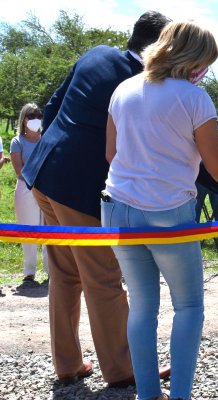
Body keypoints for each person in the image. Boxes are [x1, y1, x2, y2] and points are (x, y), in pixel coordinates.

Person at [102, 20, 218, 400]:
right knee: (188, 306)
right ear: (191, 58)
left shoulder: (122, 90)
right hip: (168, 212)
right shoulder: (194, 97)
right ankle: (180, 394)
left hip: (117, 208)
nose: (205, 71)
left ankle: (148, 394)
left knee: (142, 307)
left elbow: (110, 155)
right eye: (206, 63)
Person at [21, 11, 172, 387]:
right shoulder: (142, 82)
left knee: (64, 274)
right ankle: (123, 368)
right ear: (161, 46)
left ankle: (68, 365)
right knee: (102, 277)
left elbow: (54, 104)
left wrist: (55, 149)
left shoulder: (96, 54)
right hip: (78, 190)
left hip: (42, 177)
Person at [9, 103, 49, 283]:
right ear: (24, 119)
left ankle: (51, 272)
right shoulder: (17, 142)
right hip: (26, 189)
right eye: (32, 116)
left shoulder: (46, 138)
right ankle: (29, 273)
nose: (36, 119)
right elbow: (20, 170)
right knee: (28, 230)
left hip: (48, 189)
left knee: (50, 231)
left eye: (38, 115)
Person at [195, 139, 218, 224]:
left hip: (210, 181)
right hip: (204, 181)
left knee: (198, 210)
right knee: (197, 209)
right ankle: (195, 235)